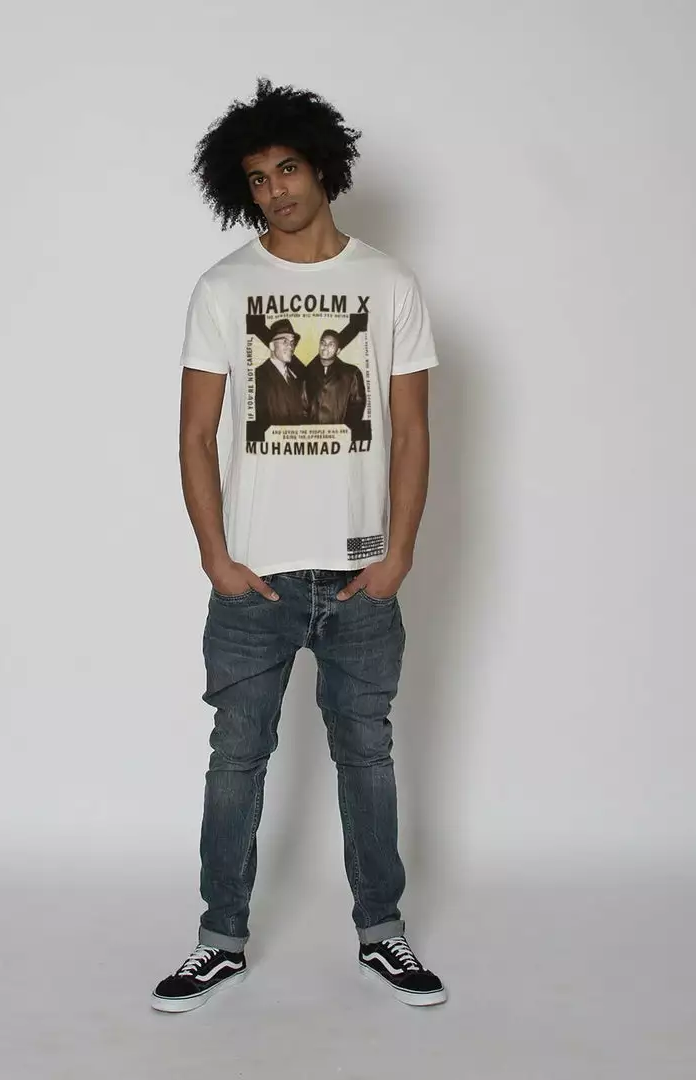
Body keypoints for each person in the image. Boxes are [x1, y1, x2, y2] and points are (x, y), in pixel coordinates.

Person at [152, 78, 447, 1013]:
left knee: (367, 756)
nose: (275, 190)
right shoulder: (223, 288)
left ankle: (382, 931)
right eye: (257, 178)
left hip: (362, 574)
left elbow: (413, 430)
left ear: (322, 167)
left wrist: (398, 555)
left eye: (287, 168)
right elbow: (194, 434)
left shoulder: (389, 283)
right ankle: (219, 941)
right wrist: (217, 558)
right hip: (256, 581)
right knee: (237, 758)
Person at [304, 328, 367, 435]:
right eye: (323, 343)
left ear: (338, 351)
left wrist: (343, 432)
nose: (325, 347)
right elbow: (303, 405)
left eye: (331, 345)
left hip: (340, 437)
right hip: (313, 437)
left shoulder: (351, 373)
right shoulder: (308, 373)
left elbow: (357, 407)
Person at [253, 318, 309, 428]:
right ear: (272, 346)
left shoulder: (295, 379)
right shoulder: (259, 375)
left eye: (292, 343)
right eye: (285, 342)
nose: (291, 347)